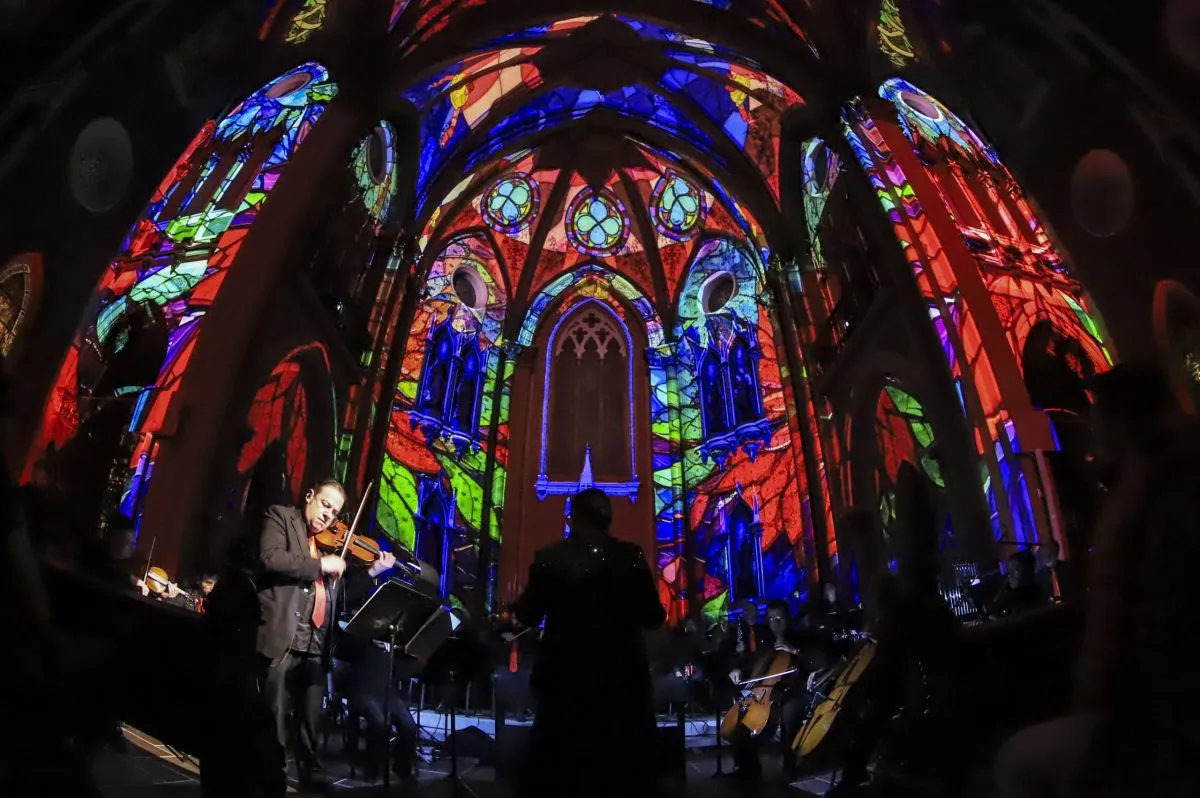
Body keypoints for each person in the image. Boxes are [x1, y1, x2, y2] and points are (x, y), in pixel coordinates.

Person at [995, 363, 1200, 797]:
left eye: (1098, 420)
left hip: (1169, 718)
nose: (1091, 436)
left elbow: (1108, 642)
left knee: (1016, 761)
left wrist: (1094, 712)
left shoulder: (1136, 503)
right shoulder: (1175, 475)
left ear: (1122, 425)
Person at [509, 488, 666, 798]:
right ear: (608, 520)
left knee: (560, 773)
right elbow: (653, 616)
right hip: (621, 681)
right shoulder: (630, 558)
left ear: (573, 518)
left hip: (565, 680)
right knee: (623, 774)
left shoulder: (549, 560)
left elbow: (527, 615)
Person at [254, 478, 400, 787]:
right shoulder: (280, 516)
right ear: (309, 496)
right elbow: (271, 558)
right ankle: (271, 771)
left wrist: (372, 572)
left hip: (317, 641)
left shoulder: (328, 544)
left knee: (311, 715)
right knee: (275, 712)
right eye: (324, 505)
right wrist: (320, 563)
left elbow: (340, 594)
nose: (327, 516)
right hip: (284, 634)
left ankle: (311, 770)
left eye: (334, 513)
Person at [726, 599, 833, 781]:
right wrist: (737, 668)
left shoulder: (801, 637)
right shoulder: (765, 640)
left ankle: (790, 766)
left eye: (779, 618)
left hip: (797, 690)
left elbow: (819, 661)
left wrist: (794, 650)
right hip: (767, 692)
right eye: (770, 618)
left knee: (789, 711)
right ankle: (747, 766)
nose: (774, 623)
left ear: (788, 618)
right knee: (742, 713)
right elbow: (752, 663)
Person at [987, 550, 1047, 618]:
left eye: (1015, 571)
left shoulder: (1017, 600)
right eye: (1009, 572)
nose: (1010, 576)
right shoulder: (1008, 596)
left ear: (1027, 570)